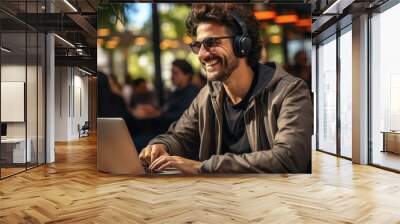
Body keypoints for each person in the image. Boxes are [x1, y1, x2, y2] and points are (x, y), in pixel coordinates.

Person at [139, 3, 313, 174]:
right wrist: (161, 146)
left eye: (211, 42)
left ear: (242, 44)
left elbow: (290, 158)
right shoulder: (208, 95)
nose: (202, 54)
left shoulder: (289, 91)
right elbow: (179, 137)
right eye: (198, 45)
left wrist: (202, 167)